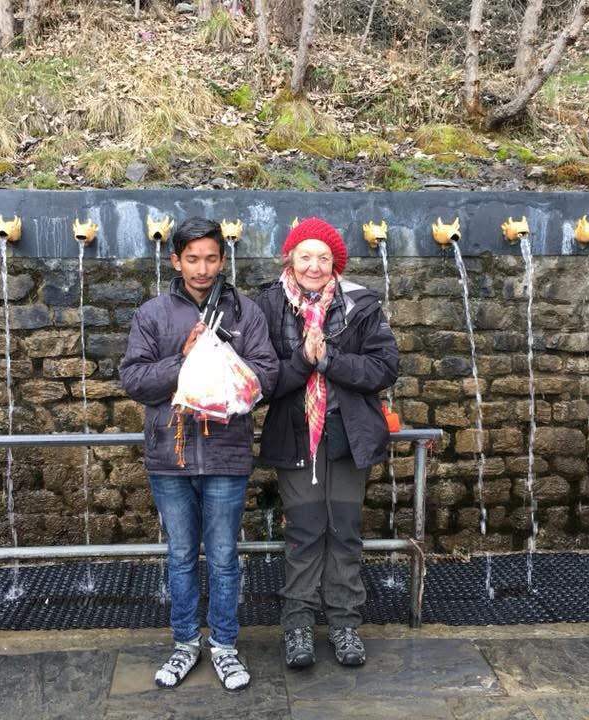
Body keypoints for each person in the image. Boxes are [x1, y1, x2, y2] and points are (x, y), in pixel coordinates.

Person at [119, 217, 279, 692]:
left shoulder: (245, 312)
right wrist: (184, 360)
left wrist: (219, 359)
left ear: (222, 259)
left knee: (225, 555)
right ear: (176, 261)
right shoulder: (153, 314)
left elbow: (267, 375)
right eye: (192, 259)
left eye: (211, 258)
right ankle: (185, 643)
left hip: (226, 453)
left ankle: (225, 646)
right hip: (169, 455)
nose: (202, 268)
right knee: (182, 555)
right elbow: (134, 380)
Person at [254, 217, 399, 669]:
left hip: (347, 434)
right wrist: (303, 360)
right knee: (304, 530)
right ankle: (298, 624)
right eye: (305, 256)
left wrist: (329, 360)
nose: (314, 266)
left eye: (323, 257)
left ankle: (344, 623)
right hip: (295, 433)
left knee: (344, 530)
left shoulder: (361, 304)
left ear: (336, 262)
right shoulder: (268, 305)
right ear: (290, 259)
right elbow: (260, 380)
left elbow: (384, 368)